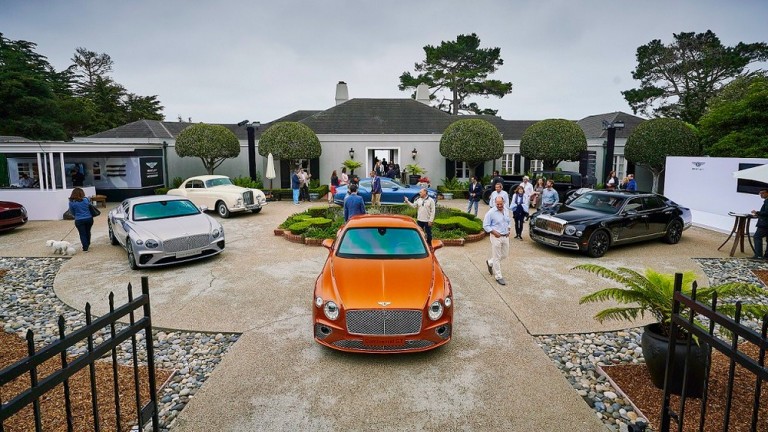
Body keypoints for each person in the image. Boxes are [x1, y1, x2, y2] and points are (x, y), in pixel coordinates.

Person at [483, 196, 512, 286]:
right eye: (498, 204)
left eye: (501, 204)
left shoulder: (506, 210)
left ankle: (490, 262)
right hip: (496, 237)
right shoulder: (491, 213)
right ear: (495, 203)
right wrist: (494, 232)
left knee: (504, 255)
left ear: (504, 202)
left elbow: (508, 221)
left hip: (505, 236)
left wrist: (509, 229)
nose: (499, 206)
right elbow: (485, 225)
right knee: (497, 257)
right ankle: (498, 276)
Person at [68, 188, 94, 252]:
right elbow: (90, 207)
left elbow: (72, 212)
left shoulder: (71, 202)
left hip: (79, 219)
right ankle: (88, 243)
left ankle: (85, 247)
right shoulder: (86, 199)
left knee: (82, 233)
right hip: (89, 218)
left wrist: (76, 215)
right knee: (88, 231)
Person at [751, 188, 768, 259]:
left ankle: (758, 255)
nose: (761, 195)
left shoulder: (767, 201)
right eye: (760, 193)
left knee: (757, 237)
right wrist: (759, 215)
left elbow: (767, 212)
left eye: (763, 193)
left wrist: (757, 212)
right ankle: (766, 256)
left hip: (765, 224)